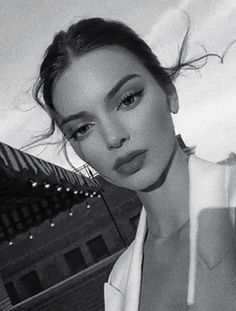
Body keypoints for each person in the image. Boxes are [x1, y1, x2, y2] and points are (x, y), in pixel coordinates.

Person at [33, 18, 236, 311]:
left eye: (128, 99)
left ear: (169, 92)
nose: (113, 137)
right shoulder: (121, 280)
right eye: (82, 129)